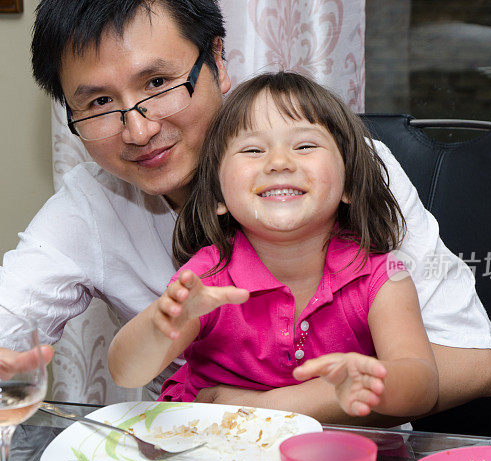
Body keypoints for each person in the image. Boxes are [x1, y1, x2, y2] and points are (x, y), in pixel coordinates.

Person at [0, 0, 491, 457]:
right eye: (100, 102)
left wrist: (277, 405)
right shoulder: (93, 204)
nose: (138, 128)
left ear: (218, 61)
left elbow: (478, 363)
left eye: (156, 83)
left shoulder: (347, 178)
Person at [108, 72, 439, 418]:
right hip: (207, 453)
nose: (279, 162)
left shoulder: (380, 278)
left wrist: (374, 383)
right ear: (218, 196)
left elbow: (423, 385)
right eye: (253, 150)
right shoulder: (208, 277)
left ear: (349, 185)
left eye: (305, 145)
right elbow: (127, 371)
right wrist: (160, 325)